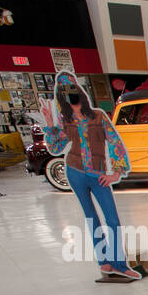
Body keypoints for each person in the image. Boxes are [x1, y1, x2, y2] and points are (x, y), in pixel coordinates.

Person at [39, 73, 137, 282]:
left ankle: (119, 263)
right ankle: (104, 262)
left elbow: (115, 143)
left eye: (72, 91)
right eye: (65, 94)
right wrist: (49, 125)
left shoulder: (98, 116)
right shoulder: (67, 122)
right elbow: (56, 148)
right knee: (91, 218)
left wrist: (117, 172)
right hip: (75, 172)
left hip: (98, 174)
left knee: (112, 219)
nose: (70, 97)